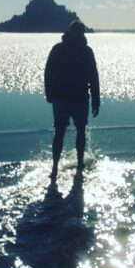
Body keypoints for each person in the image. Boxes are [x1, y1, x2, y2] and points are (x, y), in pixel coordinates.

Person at [44, 20, 100, 179]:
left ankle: (58, 167)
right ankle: (75, 164)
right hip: (75, 97)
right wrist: (96, 99)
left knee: (61, 131)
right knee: (76, 130)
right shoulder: (85, 51)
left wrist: (49, 93)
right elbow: (93, 77)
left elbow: (49, 73)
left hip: (66, 97)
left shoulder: (59, 49)